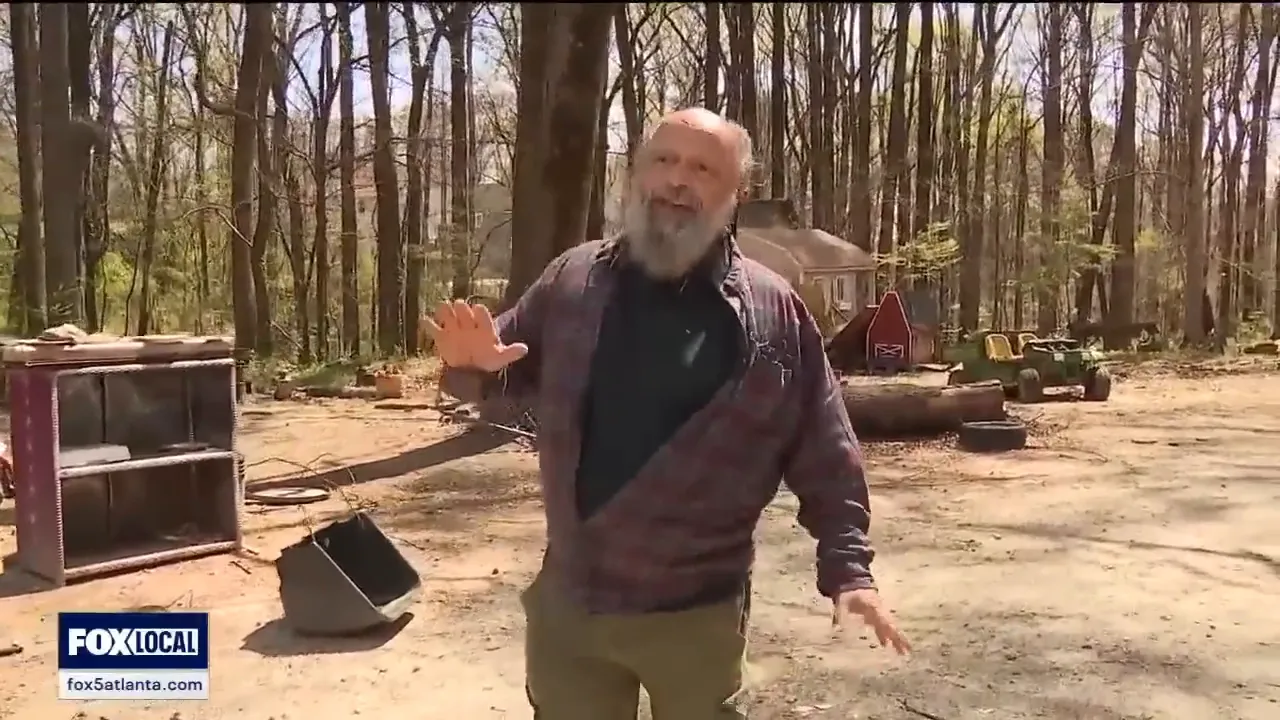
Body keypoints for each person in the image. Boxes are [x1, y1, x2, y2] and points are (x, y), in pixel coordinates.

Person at [427, 107, 909, 720]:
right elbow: (503, 371)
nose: (678, 180)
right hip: (572, 609)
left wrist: (850, 571)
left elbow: (824, 447)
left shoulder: (773, 312)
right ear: (637, 176)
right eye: (664, 160)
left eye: (703, 168)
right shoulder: (571, 280)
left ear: (735, 193)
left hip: (699, 615)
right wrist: (470, 363)